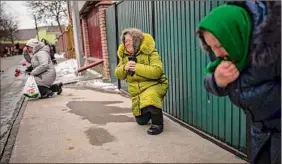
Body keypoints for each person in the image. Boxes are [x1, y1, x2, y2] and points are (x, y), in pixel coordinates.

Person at [197, 1, 280, 164]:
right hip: (260, 129)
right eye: (210, 46)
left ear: (236, 34)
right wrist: (217, 80)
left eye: (219, 45)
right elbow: (210, 80)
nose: (216, 53)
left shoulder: (274, 46)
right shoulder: (226, 51)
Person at [115, 28, 169, 135]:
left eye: (129, 40)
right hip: (137, 93)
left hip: (154, 84)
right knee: (141, 121)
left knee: (151, 97)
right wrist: (124, 67)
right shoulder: (125, 55)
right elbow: (118, 74)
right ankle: (149, 111)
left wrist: (136, 67)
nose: (126, 43)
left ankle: (158, 124)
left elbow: (157, 71)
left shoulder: (150, 52)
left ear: (136, 41)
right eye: (125, 41)